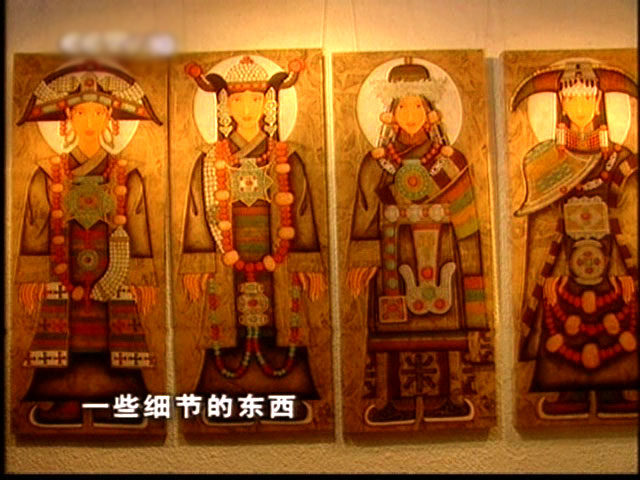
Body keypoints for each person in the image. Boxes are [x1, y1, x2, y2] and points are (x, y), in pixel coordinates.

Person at [15, 60, 162, 428]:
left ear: (109, 118)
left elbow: (138, 222)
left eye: (98, 112)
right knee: (63, 334)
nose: (90, 120)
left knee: (116, 337)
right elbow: (35, 221)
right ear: (69, 118)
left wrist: (143, 275)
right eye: (81, 112)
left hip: (115, 265)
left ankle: (119, 398)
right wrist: (31, 273)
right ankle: (64, 398)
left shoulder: (126, 173)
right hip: (63, 265)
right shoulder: (48, 173)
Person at [181, 56, 326, 424]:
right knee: (227, 325)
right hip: (227, 253)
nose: (247, 109)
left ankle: (286, 394)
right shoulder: (209, 160)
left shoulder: (286, 157)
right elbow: (197, 210)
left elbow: (302, 208)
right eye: (238, 100)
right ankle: (224, 395)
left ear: (268, 105)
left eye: (255, 100)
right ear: (225, 106)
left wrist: (308, 260)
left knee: (282, 324)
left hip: (277, 252)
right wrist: (197, 260)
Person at [348, 58, 490, 426]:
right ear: (391, 115)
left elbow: (468, 220)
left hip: (444, 254)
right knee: (392, 324)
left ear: (431, 114)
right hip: (394, 255)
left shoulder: (451, 161)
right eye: (403, 107)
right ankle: (388, 398)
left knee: (446, 321)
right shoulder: (377, 164)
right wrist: (363, 257)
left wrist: (472, 267)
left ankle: (452, 394)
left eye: (418, 107)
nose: (410, 115)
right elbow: (365, 210)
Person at [512, 61, 638, 418]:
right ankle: (567, 392)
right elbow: (538, 222)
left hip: (611, 258)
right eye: (571, 100)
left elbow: (628, 212)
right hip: (564, 260)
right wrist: (548, 274)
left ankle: (616, 392)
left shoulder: (620, 158)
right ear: (561, 106)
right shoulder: (547, 160)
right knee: (563, 319)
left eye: (586, 99)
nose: (579, 107)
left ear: (598, 103)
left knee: (617, 318)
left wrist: (625, 268)